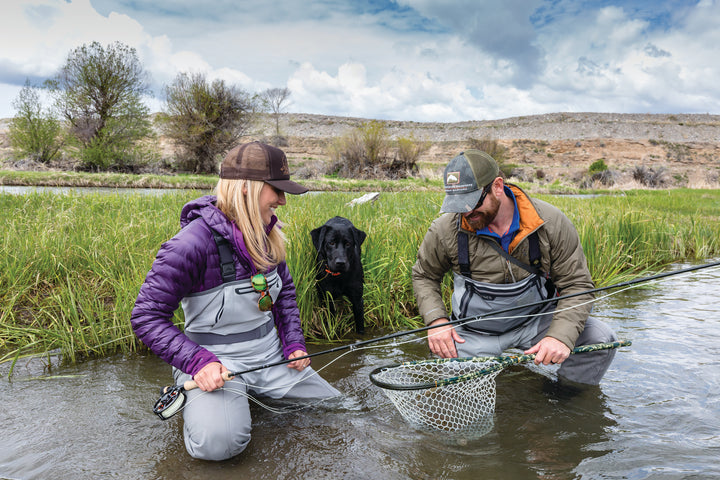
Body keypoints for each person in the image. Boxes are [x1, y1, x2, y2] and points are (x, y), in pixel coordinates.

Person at [131, 141, 340, 461]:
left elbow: (284, 293)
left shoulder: (268, 235)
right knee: (220, 446)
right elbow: (146, 317)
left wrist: (294, 343)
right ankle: (210, 406)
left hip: (269, 356)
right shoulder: (189, 245)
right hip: (215, 363)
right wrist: (198, 363)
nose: (283, 200)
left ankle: (243, 398)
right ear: (246, 187)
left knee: (338, 410)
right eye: (276, 190)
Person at [411, 149, 617, 386]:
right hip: (473, 332)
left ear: (497, 187)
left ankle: (564, 398)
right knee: (446, 379)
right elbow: (424, 275)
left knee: (600, 340)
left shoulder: (549, 222)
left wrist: (560, 337)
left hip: (534, 322)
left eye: (472, 202)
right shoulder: (444, 229)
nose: (466, 212)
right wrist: (437, 321)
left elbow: (577, 284)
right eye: (458, 204)